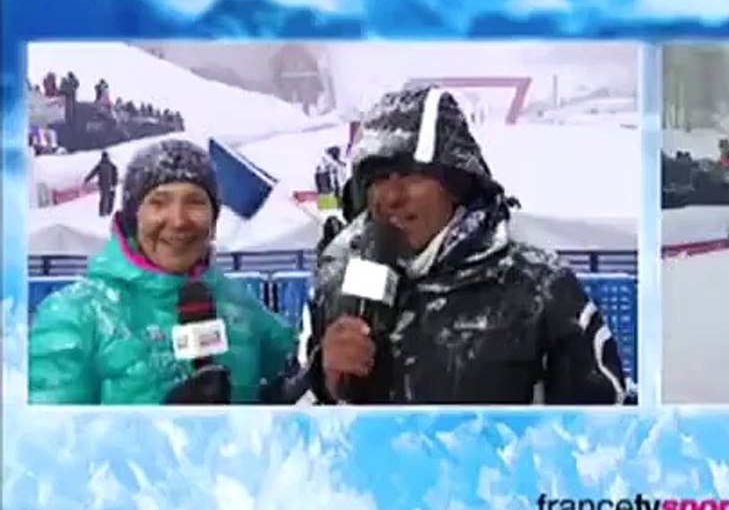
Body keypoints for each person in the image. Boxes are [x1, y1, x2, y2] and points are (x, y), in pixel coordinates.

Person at [306, 86, 630, 405]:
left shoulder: (539, 287)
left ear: (456, 183)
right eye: (377, 178)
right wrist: (323, 380)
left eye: (411, 175)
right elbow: (278, 427)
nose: (391, 197)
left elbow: (605, 433)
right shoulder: (334, 284)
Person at [28, 139, 301, 405]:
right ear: (133, 218)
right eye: (159, 203)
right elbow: (48, 444)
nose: (179, 221)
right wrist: (161, 426)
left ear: (214, 220)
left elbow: (292, 377)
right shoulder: (74, 315)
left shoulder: (238, 303)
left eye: (195, 202)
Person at [84, 150, 119, 217]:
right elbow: (115, 175)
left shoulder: (100, 165)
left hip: (102, 185)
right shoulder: (112, 165)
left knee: (103, 199)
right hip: (110, 185)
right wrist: (114, 183)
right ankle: (108, 212)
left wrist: (86, 179)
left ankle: (102, 212)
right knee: (110, 199)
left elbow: (92, 173)